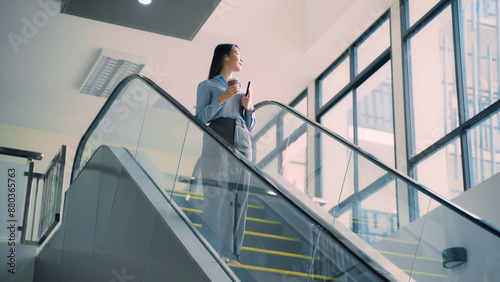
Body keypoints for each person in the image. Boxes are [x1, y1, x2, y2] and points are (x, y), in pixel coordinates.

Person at [195, 44, 256, 263]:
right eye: (238, 54)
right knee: (217, 193)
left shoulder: (242, 89)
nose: (242, 59)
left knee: (240, 197)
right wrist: (222, 98)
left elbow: (250, 125)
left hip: (243, 139)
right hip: (218, 134)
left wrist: (249, 109)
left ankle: (233, 254)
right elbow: (200, 119)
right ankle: (212, 249)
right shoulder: (208, 85)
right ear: (225, 57)